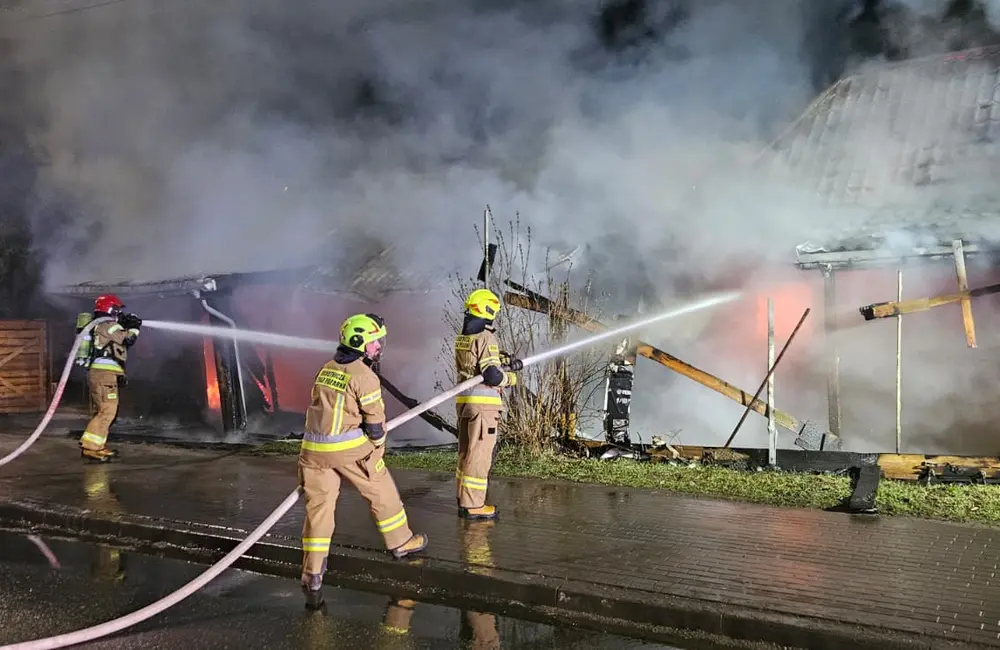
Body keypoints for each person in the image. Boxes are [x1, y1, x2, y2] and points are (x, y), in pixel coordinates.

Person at [298, 312, 428, 609]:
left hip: (312, 454)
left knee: (318, 512)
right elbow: (374, 424)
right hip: (350, 452)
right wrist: (378, 449)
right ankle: (400, 542)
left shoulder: (325, 369)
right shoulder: (364, 376)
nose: (378, 347)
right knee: (383, 493)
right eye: (374, 342)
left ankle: (313, 573)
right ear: (359, 343)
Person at [453, 289, 522, 520]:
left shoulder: (463, 337)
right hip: (483, 405)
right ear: (489, 311)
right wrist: (510, 378)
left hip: (464, 401)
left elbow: (476, 364)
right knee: (480, 454)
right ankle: (474, 505)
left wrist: (501, 361)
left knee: (465, 452)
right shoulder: (486, 337)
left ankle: (463, 499)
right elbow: (492, 375)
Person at [79, 294, 141, 462]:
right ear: (110, 309)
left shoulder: (101, 325)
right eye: (117, 310)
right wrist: (134, 326)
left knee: (104, 411)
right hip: (103, 376)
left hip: (103, 375)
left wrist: (119, 374)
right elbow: (128, 339)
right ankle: (91, 447)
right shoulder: (107, 325)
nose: (119, 313)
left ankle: (97, 446)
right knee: (108, 411)